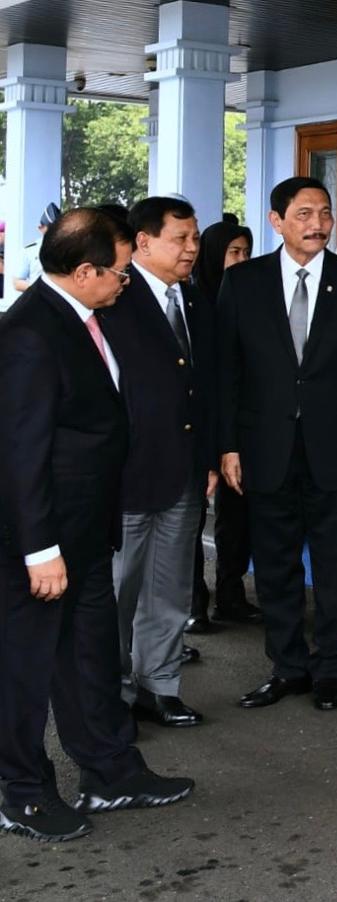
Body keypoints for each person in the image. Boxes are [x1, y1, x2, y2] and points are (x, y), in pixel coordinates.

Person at [0, 209, 193, 843]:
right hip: (44, 541)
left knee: (89, 656)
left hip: (86, 531)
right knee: (26, 668)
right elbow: (20, 453)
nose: (125, 281)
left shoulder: (85, 318)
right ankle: (21, 793)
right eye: (117, 271)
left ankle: (111, 772)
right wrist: (39, 550)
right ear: (82, 272)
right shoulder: (30, 334)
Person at [218, 177, 337, 711]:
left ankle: (329, 671)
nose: (317, 223)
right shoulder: (243, 282)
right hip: (265, 446)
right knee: (274, 563)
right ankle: (287, 666)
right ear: (276, 221)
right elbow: (228, 373)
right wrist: (227, 446)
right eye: (303, 214)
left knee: (336, 561)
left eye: (324, 212)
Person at [102, 196, 218, 729]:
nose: (192, 248)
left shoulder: (193, 301)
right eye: (181, 238)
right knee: (118, 591)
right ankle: (112, 695)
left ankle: (160, 686)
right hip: (128, 475)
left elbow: (207, 388)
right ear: (143, 241)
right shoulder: (113, 303)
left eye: (195, 237)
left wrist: (211, 456)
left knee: (169, 588)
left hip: (184, 470)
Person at [185, 221, 260, 635]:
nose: (241, 260)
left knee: (237, 515)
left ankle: (231, 595)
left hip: (238, 424)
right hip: (200, 424)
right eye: (233, 252)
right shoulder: (194, 300)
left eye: (246, 252)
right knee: (191, 519)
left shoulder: (251, 298)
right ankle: (194, 600)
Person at [13, 202, 61, 293]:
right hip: (38, 299)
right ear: (41, 228)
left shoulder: (67, 249)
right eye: (51, 228)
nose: (55, 232)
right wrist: (41, 289)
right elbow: (17, 282)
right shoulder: (29, 251)